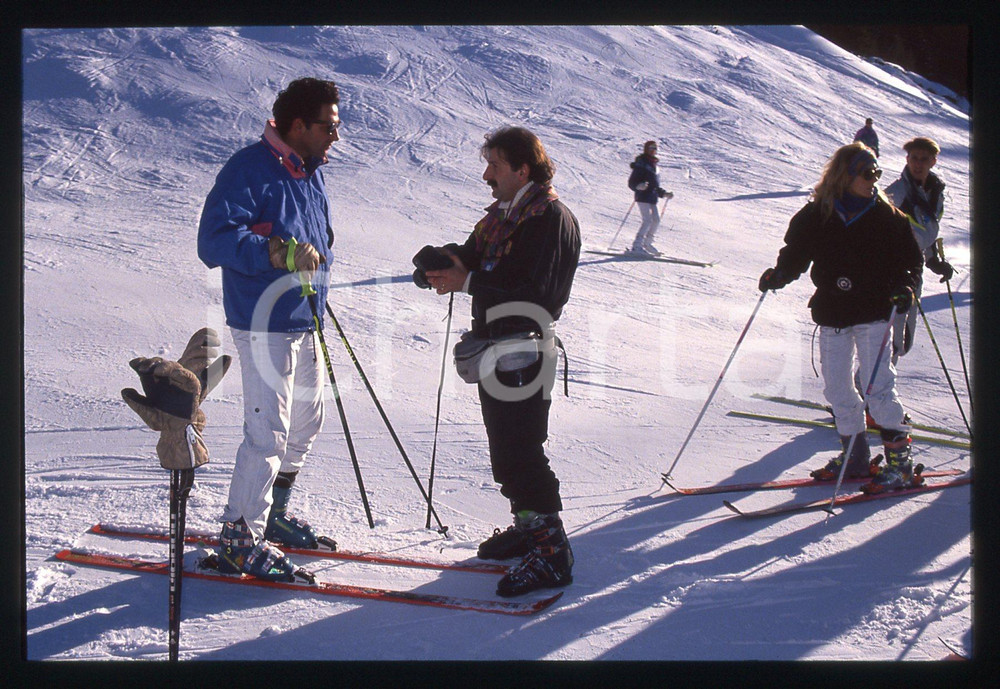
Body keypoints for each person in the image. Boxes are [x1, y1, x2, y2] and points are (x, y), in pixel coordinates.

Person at [423, 126, 581, 596]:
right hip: (499, 346)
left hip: (525, 346)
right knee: (505, 447)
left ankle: (553, 554)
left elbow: (536, 293)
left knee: (521, 448)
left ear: (521, 169)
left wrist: (466, 282)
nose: (486, 175)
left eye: (494, 164)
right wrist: (437, 263)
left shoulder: (547, 217)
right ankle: (529, 525)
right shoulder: (505, 215)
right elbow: (473, 257)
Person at [197, 78, 340, 580]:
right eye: (329, 126)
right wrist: (276, 251)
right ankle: (240, 536)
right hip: (263, 321)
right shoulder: (248, 168)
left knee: (307, 421)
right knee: (268, 433)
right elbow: (214, 240)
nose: (335, 137)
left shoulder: (309, 172)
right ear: (298, 124)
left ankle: (273, 513)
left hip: (304, 320)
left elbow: (316, 239)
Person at [758, 143, 923, 494]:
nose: (874, 179)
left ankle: (901, 463)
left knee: (877, 389)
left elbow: (910, 262)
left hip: (875, 311)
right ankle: (855, 456)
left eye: (877, 173)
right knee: (835, 388)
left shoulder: (888, 218)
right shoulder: (818, 213)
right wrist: (781, 274)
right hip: (833, 310)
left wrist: (906, 287)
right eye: (867, 173)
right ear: (845, 176)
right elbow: (796, 253)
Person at [884, 136, 953, 362]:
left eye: (924, 159)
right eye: (914, 158)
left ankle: (874, 386)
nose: (918, 163)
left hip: (913, 273)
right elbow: (875, 229)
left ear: (933, 161)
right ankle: (872, 390)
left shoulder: (935, 193)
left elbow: (927, 228)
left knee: (904, 339)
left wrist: (933, 260)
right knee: (887, 335)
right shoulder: (897, 193)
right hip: (889, 273)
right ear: (907, 159)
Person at [626, 140, 672, 256]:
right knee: (647, 220)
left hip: (652, 197)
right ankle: (637, 245)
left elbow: (655, 186)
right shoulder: (641, 164)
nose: (653, 150)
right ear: (646, 149)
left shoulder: (654, 166)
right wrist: (638, 186)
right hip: (642, 196)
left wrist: (664, 193)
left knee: (656, 220)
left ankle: (647, 243)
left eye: (655, 148)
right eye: (651, 148)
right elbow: (632, 182)